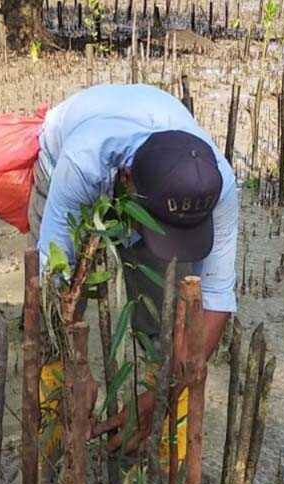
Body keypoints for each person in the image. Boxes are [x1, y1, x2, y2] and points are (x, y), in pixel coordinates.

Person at [28, 83, 239, 453]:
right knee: (57, 328)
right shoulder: (84, 161)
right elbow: (54, 275)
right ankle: (54, 448)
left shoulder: (216, 185)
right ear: (127, 181)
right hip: (61, 165)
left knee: (161, 323)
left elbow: (216, 300)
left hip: (150, 185)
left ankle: (158, 451)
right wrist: (74, 360)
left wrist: (165, 394)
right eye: (160, 227)